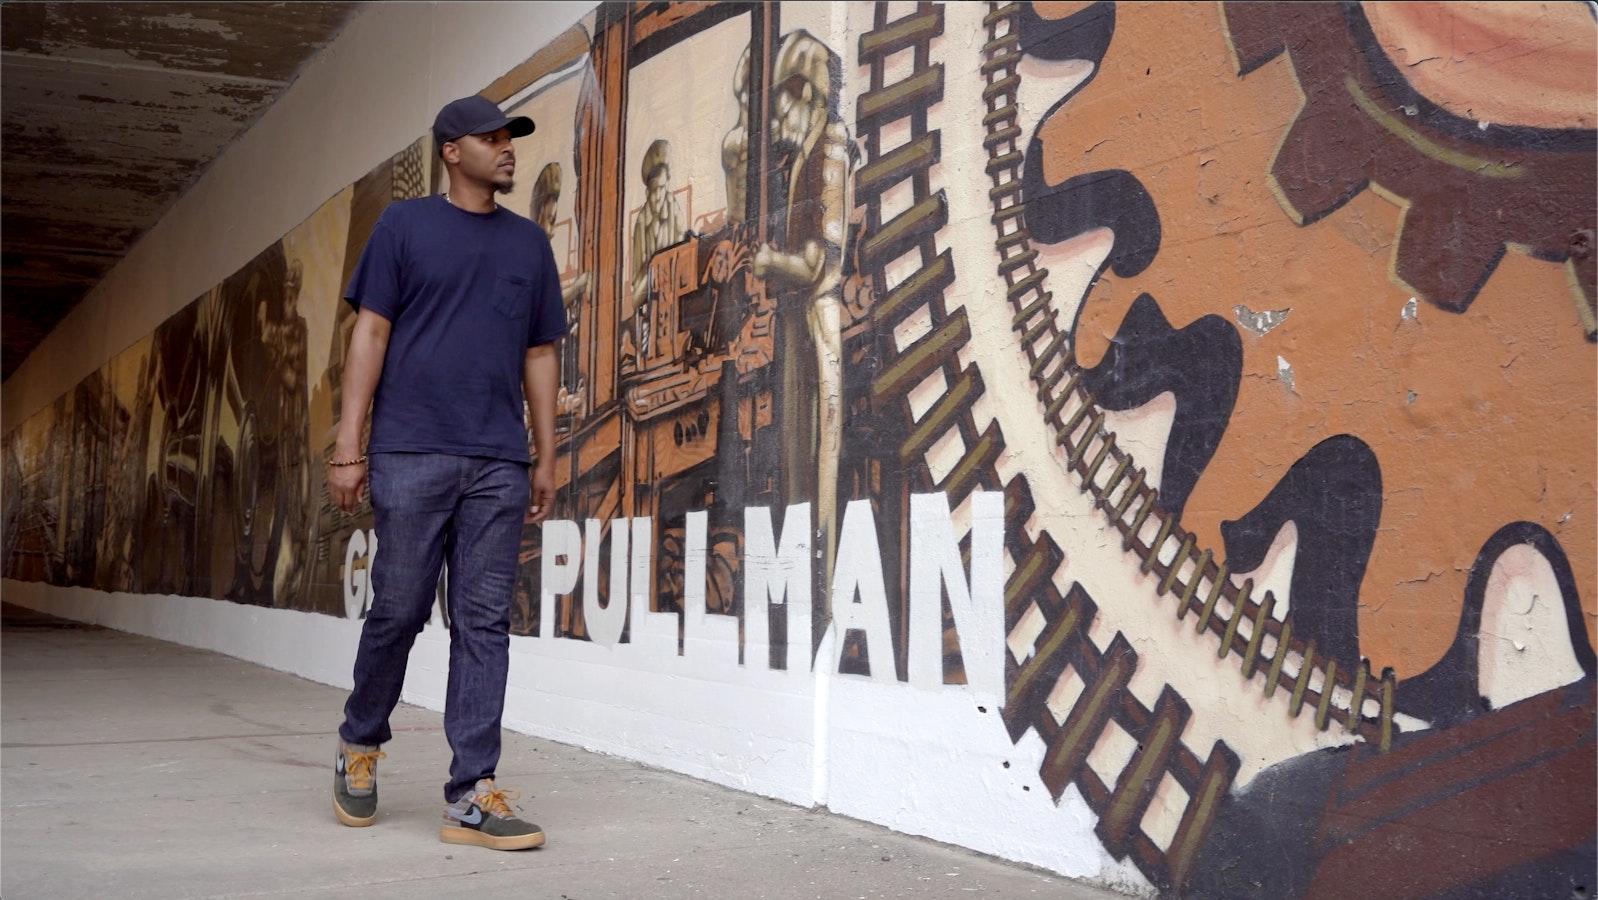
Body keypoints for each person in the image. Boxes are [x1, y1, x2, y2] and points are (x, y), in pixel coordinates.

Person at [326, 95, 565, 851]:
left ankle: (472, 792)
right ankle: (359, 744)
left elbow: (540, 352)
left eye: (511, 138)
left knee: (484, 622)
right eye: (490, 138)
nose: (506, 148)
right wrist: (348, 443)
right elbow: (371, 331)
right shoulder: (404, 227)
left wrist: (548, 451)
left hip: (498, 459)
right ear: (450, 151)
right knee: (397, 608)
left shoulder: (529, 245)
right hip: (410, 450)